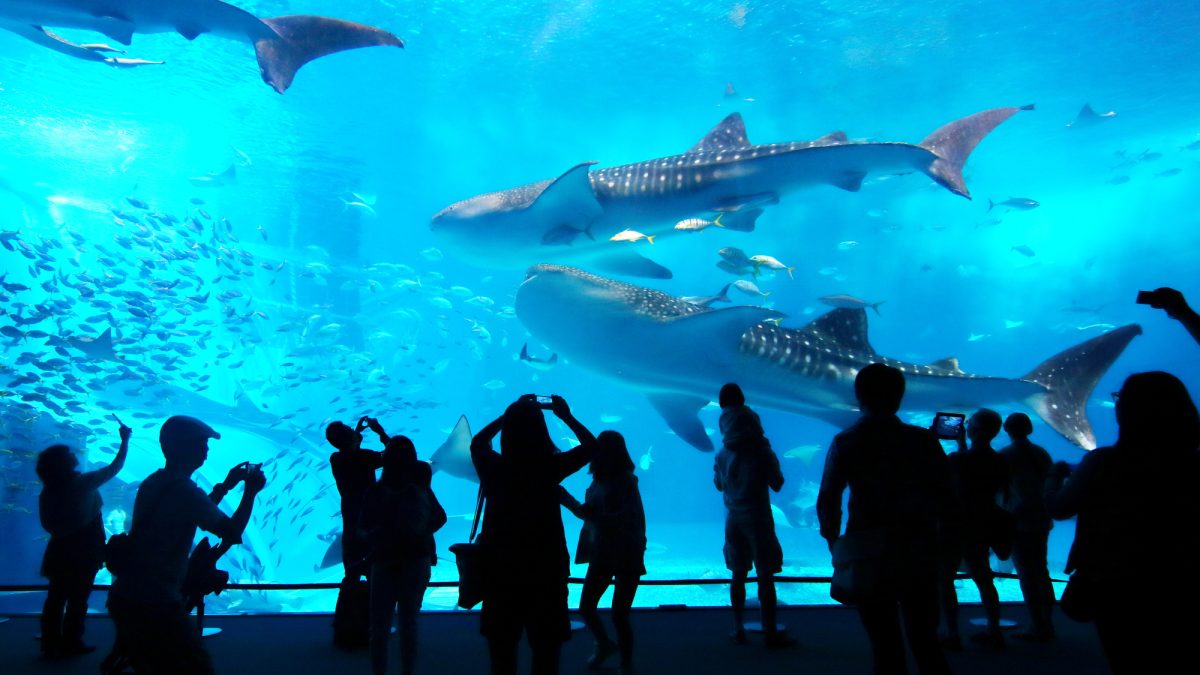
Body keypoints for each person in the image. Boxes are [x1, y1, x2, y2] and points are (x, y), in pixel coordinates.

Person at [1045, 372, 1200, 674]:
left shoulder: (1104, 461)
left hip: (1116, 582)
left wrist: (1052, 479)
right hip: (1182, 580)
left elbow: (1060, 509)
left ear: (1128, 410)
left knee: (1128, 658)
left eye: (1119, 399)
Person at [817, 364, 952, 675]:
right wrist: (942, 540)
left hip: (868, 551)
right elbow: (946, 493)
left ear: (858, 397)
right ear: (900, 398)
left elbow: (829, 499)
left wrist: (834, 543)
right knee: (925, 639)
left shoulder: (847, 441)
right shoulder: (923, 440)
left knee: (884, 642)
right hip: (919, 547)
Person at [106, 415, 265, 675]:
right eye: (203, 443)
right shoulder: (185, 491)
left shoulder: (154, 481)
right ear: (186, 448)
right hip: (155, 600)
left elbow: (190, 512)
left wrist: (225, 486)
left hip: (129, 593)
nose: (207, 450)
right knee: (196, 667)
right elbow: (231, 531)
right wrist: (250, 492)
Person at [471, 394, 596, 675]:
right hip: (546, 571)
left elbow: (478, 443)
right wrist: (566, 416)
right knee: (546, 654)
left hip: (501, 572)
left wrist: (509, 414)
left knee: (502, 656)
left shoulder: (495, 469)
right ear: (542, 432)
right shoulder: (548, 469)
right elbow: (591, 447)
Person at [36, 419, 131, 658]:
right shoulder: (82, 483)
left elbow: (47, 523)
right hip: (84, 549)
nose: (73, 455)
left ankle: (50, 642)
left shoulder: (48, 491)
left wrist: (65, 531)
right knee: (78, 598)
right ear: (63, 464)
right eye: (68, 454)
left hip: (59, 548)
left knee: (55, 597)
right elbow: (115, 467)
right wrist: (125, 440)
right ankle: (71, 641)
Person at [713, 383, 794, 648]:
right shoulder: (760, 450)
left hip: (733, 519)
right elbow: (778, 483)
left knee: (737, 575)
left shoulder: (723, 453)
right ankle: (769, 630)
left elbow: (719, 485)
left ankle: (737, 628)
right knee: (764, 576)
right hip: (758, 518)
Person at [559, 430, 646, 674]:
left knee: (620, 614)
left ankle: (626, 663)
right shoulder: (597, 481)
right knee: (586, 607)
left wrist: (596, 516)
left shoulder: (628, 481)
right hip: (602, 550)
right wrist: (570, 501)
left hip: (627, 550)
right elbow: (591, 513)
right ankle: (605, 644)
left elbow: (630, 517)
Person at [360, 436, 447, 675]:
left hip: (384, 561)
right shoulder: (420, 488)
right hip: (416, 559)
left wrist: (379, 537)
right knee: (408, 623)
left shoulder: (375, 491)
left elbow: (364, 525)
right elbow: (440, 517)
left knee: (379, 627)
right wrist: (418, 533)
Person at [939, 409, 1009, 650]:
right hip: (983, 522)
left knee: (945, 579)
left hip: (955, 524)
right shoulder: (1000, 460)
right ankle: (994, 630)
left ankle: (952, 632)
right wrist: (962, 445)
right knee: (984, 578)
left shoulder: (957, 460)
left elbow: (950, 482)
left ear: (973, 430)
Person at [998, 413, 1055, 641]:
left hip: (1019, 522)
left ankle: (1037, 625)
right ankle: (1047, 622)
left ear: (1006, 429)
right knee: (1041, 571)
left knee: (1027, 575)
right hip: (1041, 519)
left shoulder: (1006, 455)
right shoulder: (1042, 453)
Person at [327, 416, 388, 578]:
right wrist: (379, 431)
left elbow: (351, 454)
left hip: (351, 529)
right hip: (370, 526)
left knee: (351, 579)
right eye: (349, 430)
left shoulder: (336, 459)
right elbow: (395, 453)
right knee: (376, 577)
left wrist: (355, 434)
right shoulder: (366, 457)